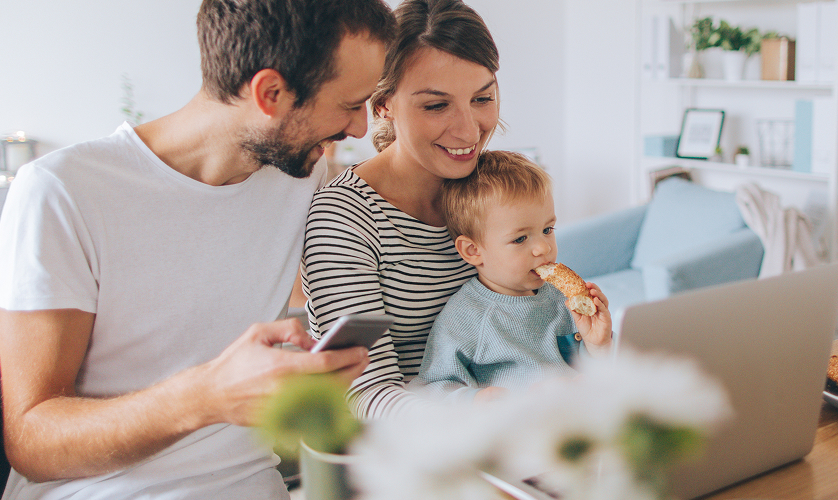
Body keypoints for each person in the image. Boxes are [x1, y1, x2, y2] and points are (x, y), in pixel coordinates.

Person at [0, 1, 395, 499]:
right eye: (349, 104)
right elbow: (31, 441)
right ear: (270, 93)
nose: (359, 128)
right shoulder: (63, 191)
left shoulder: (301, 176)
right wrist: (206, 397)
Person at [302, 0, 499, 419]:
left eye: (482, 98)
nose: (469, 130)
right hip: (410, 443)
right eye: (436, 105)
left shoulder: (495, 190)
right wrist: (478, 413)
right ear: (383, 105)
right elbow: (365, 394)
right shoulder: (344, 217)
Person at [408, 151, 613, 404]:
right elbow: (431, 388)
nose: (543, 248)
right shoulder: (465, 317)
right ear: (473, 251)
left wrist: (598, 345)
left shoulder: (563, 300)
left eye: (547, 229)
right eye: (520, 239)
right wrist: (476, 399)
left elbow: (596, 374)